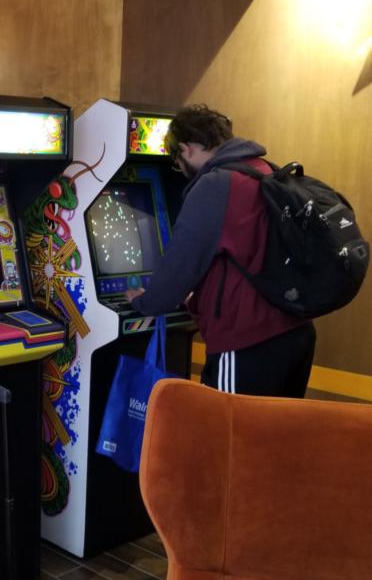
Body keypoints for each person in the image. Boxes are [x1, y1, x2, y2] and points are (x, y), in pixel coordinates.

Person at [125, 104, 315, 398]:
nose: (180, 171)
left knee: (228, 437)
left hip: (248, 340)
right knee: (274, 440)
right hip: (295, 334)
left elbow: (181, 264)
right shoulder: (264, 170)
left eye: (176, 162)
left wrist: (146, 302)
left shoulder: (216, 185)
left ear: (186, 149)